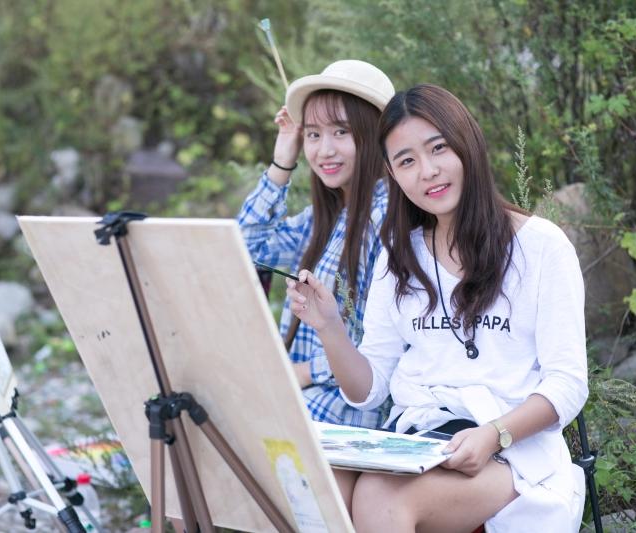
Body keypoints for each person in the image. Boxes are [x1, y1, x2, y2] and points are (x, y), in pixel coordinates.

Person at [286, 84, 588, 532]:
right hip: (419, 439)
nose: (427, 172)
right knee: (314, 483)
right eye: (407, 161)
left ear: (467, 144)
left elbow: (568, 383)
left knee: (379, 498)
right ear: (392, 173)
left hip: (512, 450)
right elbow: (369, 389)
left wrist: (494, 434)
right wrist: (329, 326)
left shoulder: (540, 246)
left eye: (438, 148)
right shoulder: (399, 256)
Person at [238, 60, 395, 428]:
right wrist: (282, 161)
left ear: (375, 135)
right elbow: (244, 249)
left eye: (341, 132)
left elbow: (391, 344)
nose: (324, 150)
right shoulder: (323, 218)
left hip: (349, 411)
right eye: (313, 134)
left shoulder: (388, 217)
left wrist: (306, 372)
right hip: (303, 400)